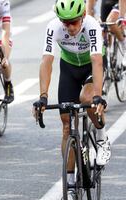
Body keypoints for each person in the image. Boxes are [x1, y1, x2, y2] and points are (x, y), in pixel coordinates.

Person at [33, 0, 111, 186]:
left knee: (87, 98)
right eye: (64, 22)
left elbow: (97, 60)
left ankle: (101, 137)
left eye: (73, 22)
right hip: (69, 69)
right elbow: (46, 61)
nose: (69, 27)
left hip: (91, 67)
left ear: (83, 16)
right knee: (67, 126)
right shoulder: (53, 27)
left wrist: (98, 95)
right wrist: (43, 96)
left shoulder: (91, 25)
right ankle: (69, 183)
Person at [87, 0, 126, 65]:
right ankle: (107, 53)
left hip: (120, 2)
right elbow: (90, 1)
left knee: (111, 21)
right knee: (102, 27)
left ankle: (124, 43)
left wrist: (121, 18)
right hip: (106, 3)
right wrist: (89, 19)